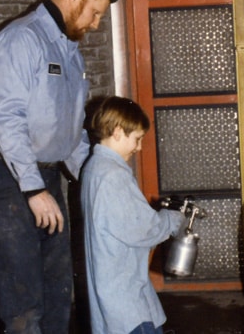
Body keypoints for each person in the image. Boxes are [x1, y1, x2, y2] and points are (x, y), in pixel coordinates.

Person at [0, 0, 119, 333]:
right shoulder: (21, 40)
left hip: (44, 178)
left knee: (57, 291)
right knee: (23, 300)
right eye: (95, 13)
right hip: (10, 179)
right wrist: (32, 190)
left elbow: (68, 132)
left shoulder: (69, 50)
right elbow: (5, 120)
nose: (96, 24)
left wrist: (100, 176)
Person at [81, 96, 185, 334]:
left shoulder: (93, 167)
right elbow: (143, 230)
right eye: (137, 139)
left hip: (115, 285)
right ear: (118, 132)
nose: (139, 148)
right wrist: (172, 219)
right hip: (125, 297)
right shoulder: (113, 175)